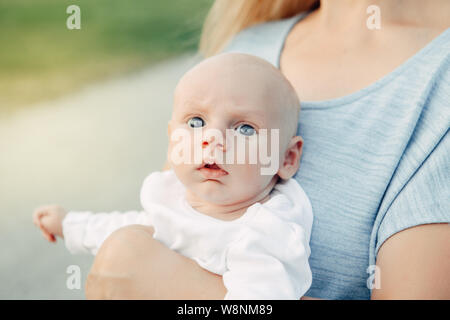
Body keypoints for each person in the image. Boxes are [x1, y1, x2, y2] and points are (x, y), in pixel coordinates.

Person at [62, 0, 448, 299]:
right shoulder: (247, 47)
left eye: (244, 128)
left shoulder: (438, 80)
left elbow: (148, 272)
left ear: (289, 157)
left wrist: (177, 288)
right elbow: (170, 218)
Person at [32, 53, 315, 299]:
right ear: (172, 140)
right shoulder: (174, 195)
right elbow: (131, 232)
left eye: (244, 129)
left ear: (286, 158)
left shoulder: (267, 230)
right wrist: (70, 224)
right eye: (196, 122)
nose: (212, 138)